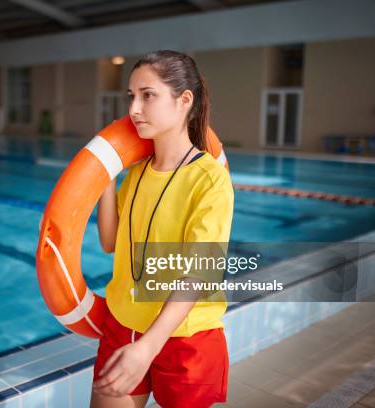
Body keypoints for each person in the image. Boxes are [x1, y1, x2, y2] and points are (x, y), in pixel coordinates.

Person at [92, 50, 234, 408]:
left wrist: (149, 346)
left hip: (187, 336)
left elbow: (199, 273)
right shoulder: (136, 174)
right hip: (124, 324)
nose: (133, 109)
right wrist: (105, 178)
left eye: (147, 95)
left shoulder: (210, 180)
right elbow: (110, 242)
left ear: (184, 100)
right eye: (131, 97)